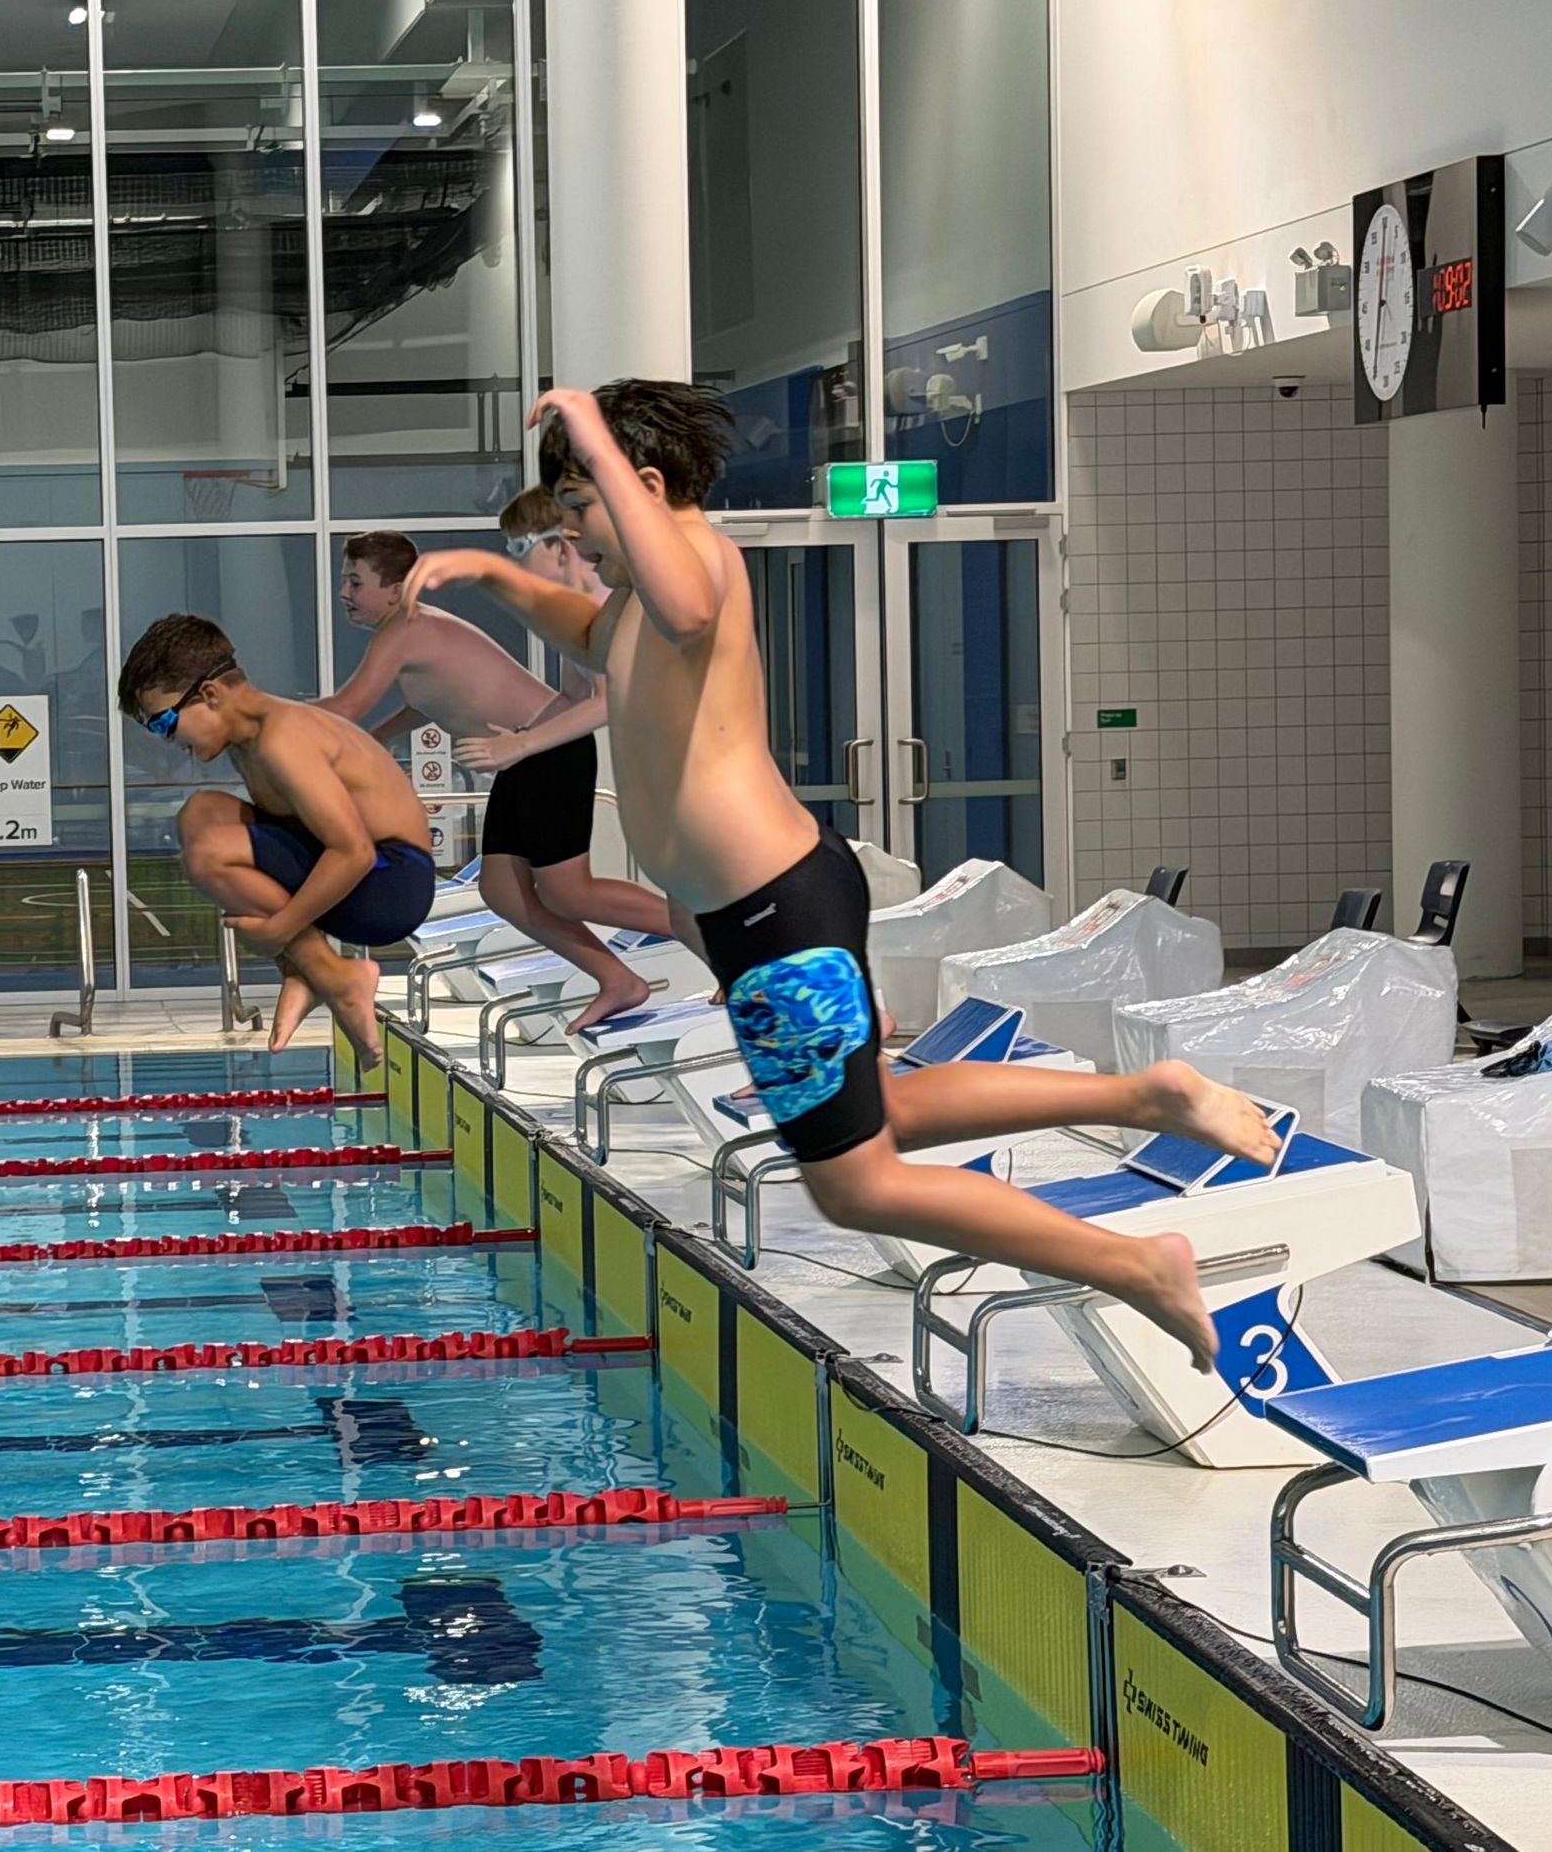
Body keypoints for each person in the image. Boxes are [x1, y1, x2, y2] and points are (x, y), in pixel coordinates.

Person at [402, 380, 1284, 1372]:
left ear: (641, 485)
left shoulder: (696, 564)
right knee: (883, 1113)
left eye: (580, 509)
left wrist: (596, 443)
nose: (571, 537)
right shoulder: (638, 606)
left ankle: (1135, 1263)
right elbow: (582, 629)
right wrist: (489, 573)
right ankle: (1146, 1098)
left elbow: (682, 601)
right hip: (761, 909)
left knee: (855, 1182)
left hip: (774, 909)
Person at [319, 528, 678, 1033]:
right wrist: (378, 737)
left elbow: (345, 707)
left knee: (570, 893)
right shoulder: (411, 630)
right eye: (345, 581)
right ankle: (618, 980)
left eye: (356, 582)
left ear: (396, 591)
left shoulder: (404, 631)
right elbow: (434, 699)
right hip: (519, 759)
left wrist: (255, 716)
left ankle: (714, 937)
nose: (344, 593)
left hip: (546, 750)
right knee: (503, 892)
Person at [120, 612, 431, 1066]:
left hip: (392, 885)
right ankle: (309, 972)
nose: (166, 739)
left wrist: (280, 930)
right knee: (200, 813)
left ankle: (340, 979)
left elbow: (354, 852)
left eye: (164, 722)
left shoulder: (283, 740)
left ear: (210, 694)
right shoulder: (248, 740)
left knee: (207, 855)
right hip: (369, 867)